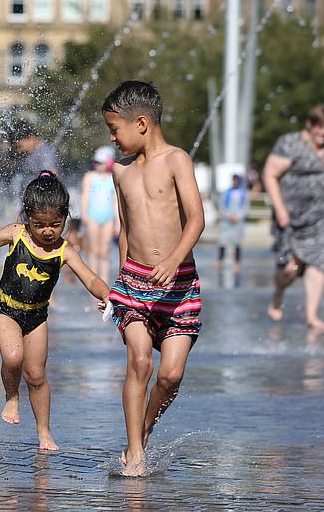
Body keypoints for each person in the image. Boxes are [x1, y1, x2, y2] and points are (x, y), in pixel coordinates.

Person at [101, 81, 205, 477]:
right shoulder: (120, 171)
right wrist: (119, 285)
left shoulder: (177, 160)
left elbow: (196, 219)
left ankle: (141, 434)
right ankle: (135, 453)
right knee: (140, 361)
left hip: (179, 286)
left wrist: (175, 259)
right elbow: (126, 229)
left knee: (170, 375)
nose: (112, 138)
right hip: (135, 283)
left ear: (141, 123)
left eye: (115, 129)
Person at [0, 171, 109, 451]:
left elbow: (90, 278)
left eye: (55, 225)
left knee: (36, 375)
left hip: (36, 316)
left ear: (65, 220)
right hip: (5, 309)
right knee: (13, 357)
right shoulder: (16, 234)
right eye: (40, 224)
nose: (47, 231)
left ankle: (44, 432)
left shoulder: (64, 251)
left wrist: (106, 294)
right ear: (26, 217)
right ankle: (11, 397)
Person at [263, 104, 324, 331]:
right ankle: (279, 293)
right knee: (291, 269)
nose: (323, 133)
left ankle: (311, 315)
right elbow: (270, 174)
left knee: (319, 265)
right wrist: (280, 209)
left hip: (321, 216)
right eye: (319, 128)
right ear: (309, 125)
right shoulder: (290, 143)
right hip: (290, 216)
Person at [80, 146, 118, 282]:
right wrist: (84, 214)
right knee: (94, 251)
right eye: (96, 162)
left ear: (109, 163)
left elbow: (115, 202)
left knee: (104, 252)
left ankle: (105, 283)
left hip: (108, 219)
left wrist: (117, 223)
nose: (97, 165)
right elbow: (85, 196)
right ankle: (93, 282)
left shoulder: (112, 178)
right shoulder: (90, 177)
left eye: (100, 162)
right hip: (92, 217)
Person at [217, 174, 248, 272]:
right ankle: (220, 261)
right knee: (222, 241)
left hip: (238, 222)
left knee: (237, 243)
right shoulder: (227, 192)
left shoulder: (243, 193)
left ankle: (237, 263)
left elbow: (245, 208)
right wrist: (229, 216)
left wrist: (237, 216)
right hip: (227, 221)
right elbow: (222, 206)